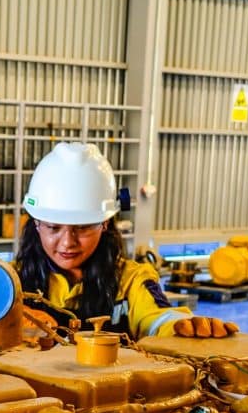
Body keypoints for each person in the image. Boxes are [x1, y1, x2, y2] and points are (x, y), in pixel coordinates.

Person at [14, 141, 236, 340]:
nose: (67, 243)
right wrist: (6, 319)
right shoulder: (10, 282)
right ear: (36, 223)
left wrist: (179, 325)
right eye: (53, 228)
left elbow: (157, 317)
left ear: (106, 223)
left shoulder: (130, 282)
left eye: (82, 228)